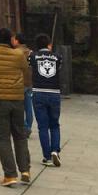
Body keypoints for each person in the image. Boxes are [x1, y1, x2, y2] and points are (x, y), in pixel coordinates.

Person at [0, 27, 32, 187]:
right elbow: (25, 69)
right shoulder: (18, 54)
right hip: (17, 99)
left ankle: (10, 175)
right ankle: (25, 170)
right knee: (20, 135)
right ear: (11, 39)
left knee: (3, 138)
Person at [29, 34, 62, 167]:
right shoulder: (58, 57)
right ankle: (55, 150)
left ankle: (47, 156)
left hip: (38, 92)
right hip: (54, 93)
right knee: (54, 125)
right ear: (49, 45)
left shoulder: (33, 56)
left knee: (43, 126)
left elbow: (28, 65)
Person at [14, 33, 33, 137]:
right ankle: (28, 127)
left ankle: (24, 126)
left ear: (17, 41)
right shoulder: (30, 52)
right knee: (28, 106)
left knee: (19, 106)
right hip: (29, 82)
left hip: (19, 82)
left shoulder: (16, 52)